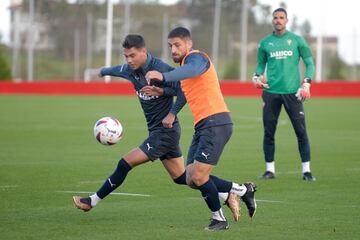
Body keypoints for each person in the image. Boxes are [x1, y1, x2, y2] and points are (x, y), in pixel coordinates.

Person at [72, 34, 243, 221]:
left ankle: (91, 201)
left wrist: (165, 99)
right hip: (157, 131)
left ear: (144, 52)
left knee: (125, 163)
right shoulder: (130, 70)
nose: (129, 60)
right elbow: (115, 70)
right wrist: (102, 72)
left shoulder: (160, 69)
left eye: (133, 56)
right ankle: (227, 194)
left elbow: (183, 90)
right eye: (126, 56)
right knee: (183, 178)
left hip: (165, 132)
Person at [146, 27, 257, 231]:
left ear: (189, 44)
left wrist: (163, 76)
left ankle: (219, 220)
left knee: (198, 176)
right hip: (203, 126)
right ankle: (242, 190)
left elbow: (192, 70)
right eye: (170, 46)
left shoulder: (197, 58)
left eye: (177, 44)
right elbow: (183, 93)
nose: (173, 49)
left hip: (216, 122)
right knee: (190, 178)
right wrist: (169, 106)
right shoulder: (185, 68)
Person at [252, 8, 316, 181]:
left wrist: (307, 83)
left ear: (286, 20)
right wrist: (256, 77)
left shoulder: (296, 40)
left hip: (293, 93)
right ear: (272, 21)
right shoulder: (265, 43)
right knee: (268, 133)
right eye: (275, 18)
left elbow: (310, 63)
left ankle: (306, 171)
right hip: (270, 93)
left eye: (281, 18)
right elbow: (260, 65)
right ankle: (269, 170)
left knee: (301, 132)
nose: (278, 20)